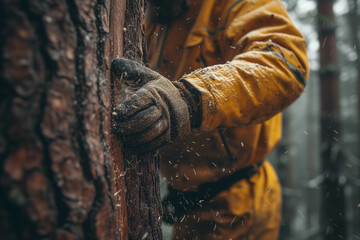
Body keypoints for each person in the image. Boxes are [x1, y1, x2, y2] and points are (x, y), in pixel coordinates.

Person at [111, 0, 309, 239]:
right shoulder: (148, 15)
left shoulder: (233, 4)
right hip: (187, 207)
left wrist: (190, 100)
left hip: (240, 204)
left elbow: (285, 64)